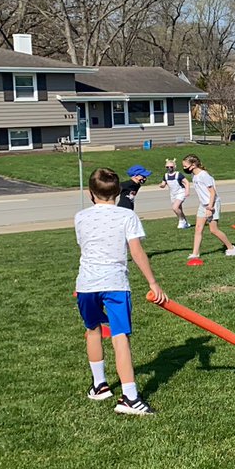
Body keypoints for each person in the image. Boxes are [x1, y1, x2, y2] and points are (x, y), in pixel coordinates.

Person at [74, 167, 167, 416]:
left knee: (92, 330)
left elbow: (85, 246)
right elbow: (136, 252)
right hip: (115, 283)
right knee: (120, 336)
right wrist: (153, 283)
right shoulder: (126, 216)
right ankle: (129, 397)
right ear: (118, 191)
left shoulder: (80, 216)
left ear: (91, 193)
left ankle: (99, 385)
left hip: (86, 284)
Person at [182, 154, 235, 260]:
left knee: (213, 230)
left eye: (186, 166)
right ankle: (195, 253)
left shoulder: (204, 175)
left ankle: (231, 248)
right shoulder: (194, 176)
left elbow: (212, 192)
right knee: (198, 229)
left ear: (194, 165)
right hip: (203, 204)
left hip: (212, 204)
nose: (184, 169)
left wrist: (210, 207)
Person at [158, 158, 191, 229]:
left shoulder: (178, 174)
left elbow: (187, 182)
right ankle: (186, 223)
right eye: (167, 167)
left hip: (180, 192)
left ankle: (181, 221)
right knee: (179, 209)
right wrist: (162, 185)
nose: (169, 168)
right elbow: (163, 184)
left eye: (171, 167)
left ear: (174, 167)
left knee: (175, 208)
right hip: (173, 194)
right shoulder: (166, 175)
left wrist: (187, 191)